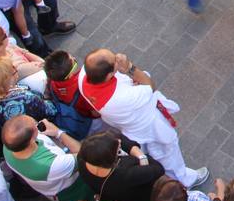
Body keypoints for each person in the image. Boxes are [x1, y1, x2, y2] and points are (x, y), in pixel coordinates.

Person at [77, 47, 206, 187]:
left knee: (149, 151)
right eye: (115, 60)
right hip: (149, 125)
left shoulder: (84, 74)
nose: (118, 56)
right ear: (108, 76)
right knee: (167, 152)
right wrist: (129, 68)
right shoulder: (122, 98)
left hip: (129, 125)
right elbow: (150, 86)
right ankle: (184, 179)